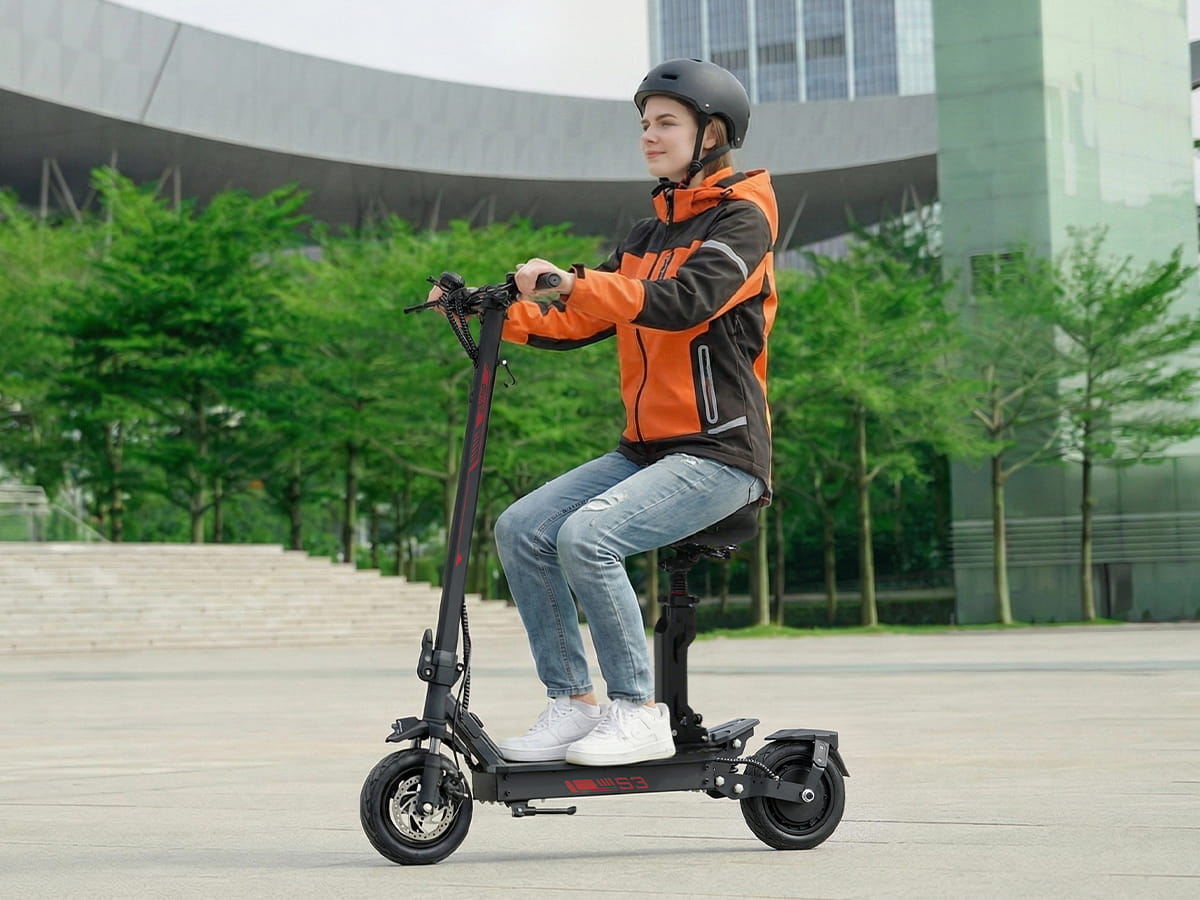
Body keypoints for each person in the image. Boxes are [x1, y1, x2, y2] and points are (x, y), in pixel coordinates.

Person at [482, 59, 778, 766]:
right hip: (647, 449)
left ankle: (637, 711)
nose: (649, 135)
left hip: (720, 454)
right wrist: (501, 315)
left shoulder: (744, 221)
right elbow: (585, 320)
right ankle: (575, 703)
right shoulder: (648, 233)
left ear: (711, 132)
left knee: (587, 536)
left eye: (665, 123)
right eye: (644, 123)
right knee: (521, 527)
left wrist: (577, 280)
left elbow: (686, 303)